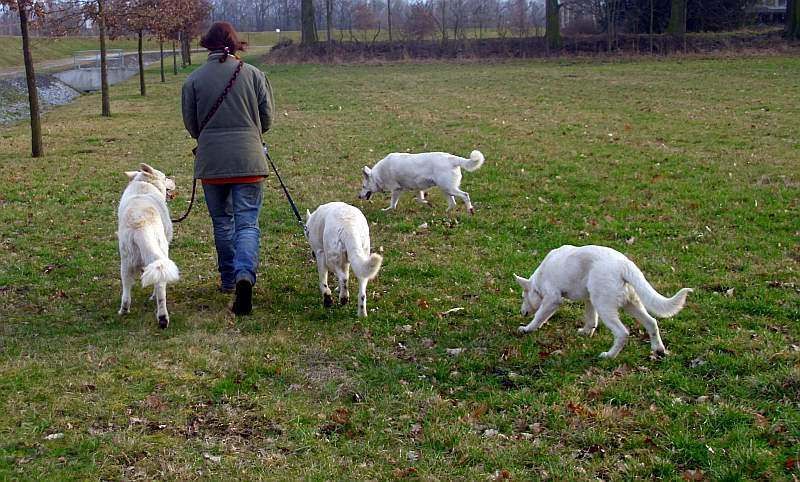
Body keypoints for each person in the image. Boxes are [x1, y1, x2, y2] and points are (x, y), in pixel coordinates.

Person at [181, 22, 274, 315]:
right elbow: (267, 120)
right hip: (249, 160)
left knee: (222, 222)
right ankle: (245, 274)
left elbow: (192, 126)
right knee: (247, 223)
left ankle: (228, 280)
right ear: (235, 44)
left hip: (212, 164)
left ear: (207, 45)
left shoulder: (193, 81)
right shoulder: (255, 75)